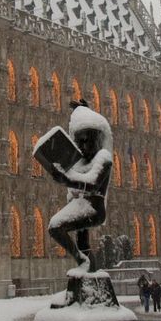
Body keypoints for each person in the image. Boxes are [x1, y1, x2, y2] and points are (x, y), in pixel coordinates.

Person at [47, 101, 113, 272]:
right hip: (79, 203)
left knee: (55, 227)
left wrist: (65, 178)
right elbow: (75, 184)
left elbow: (92, 184)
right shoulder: (80, 161)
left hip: (93, 208)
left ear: (97, 138)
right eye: (79, 141)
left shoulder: (103, 157)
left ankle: (83, 262)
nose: (83, 145)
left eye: (86, 140)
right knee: (83, 244)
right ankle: (90, 272)